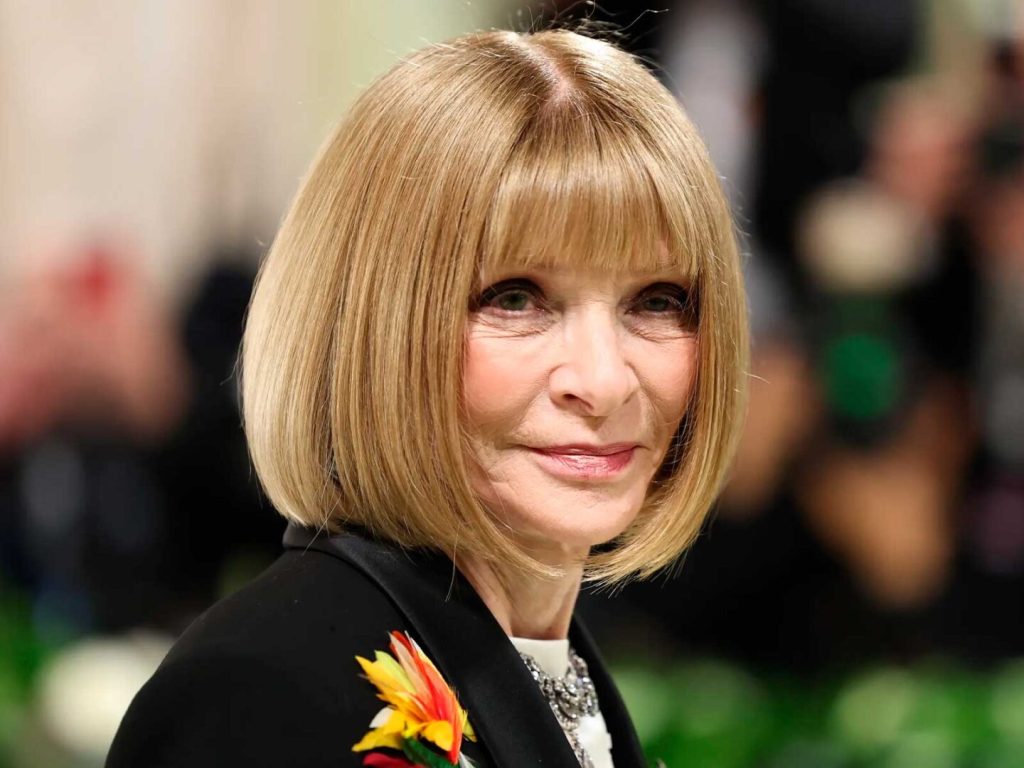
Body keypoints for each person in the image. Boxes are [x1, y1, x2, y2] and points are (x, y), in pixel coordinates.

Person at [106, 27, 748, 768]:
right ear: (371, 325)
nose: (603, 381)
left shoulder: (556, 668)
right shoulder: (256, 692)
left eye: (658, 301)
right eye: (516, 298)